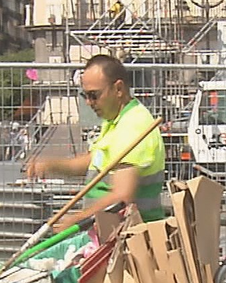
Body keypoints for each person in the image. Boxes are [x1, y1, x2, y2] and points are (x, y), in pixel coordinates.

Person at [26, 54, 166, 229]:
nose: (88, 102)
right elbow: (96, 160)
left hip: (132, 237)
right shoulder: (115, 119)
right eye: (85, 95)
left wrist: (77, 220)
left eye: (94, 95)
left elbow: (122, 198)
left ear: (119, 89)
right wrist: (53, 165)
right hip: (111, 232)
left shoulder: (133, 126)